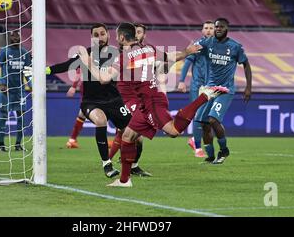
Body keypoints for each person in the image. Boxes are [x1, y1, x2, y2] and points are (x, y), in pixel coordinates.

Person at [78, 22, 228, 187]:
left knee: (173, 131)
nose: (115, 39)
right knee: (128, 136)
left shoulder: (124, 57)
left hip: (151, 101)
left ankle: (204, 96)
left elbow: (103, 79)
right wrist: (188, 51)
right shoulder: (149, 49)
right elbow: (172, 57)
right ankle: (124, 180)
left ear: (121, 37)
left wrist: (87, 61)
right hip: (147, 100)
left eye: (116, 36)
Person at [30, 23, 132, 178]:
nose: (100, 37)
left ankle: (134, 165)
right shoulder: (86, 55)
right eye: (96, 35)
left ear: (108, 35)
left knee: (132, 132)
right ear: (92, 38)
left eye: (102, 34)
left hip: (114, 100)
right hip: (91, 101)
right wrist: (46, 70)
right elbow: (67, 65)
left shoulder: (117, 54)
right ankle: (107, 164)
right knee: (100, 120)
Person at [195, 18, 252, 164]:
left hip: (225, 90)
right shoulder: (208, 42)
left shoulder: (235, 47)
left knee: (213, 119)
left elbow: (246, 65)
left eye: (221, 26)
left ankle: (224, 150)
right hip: (209, 89)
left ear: (227, 28)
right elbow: (192, 49)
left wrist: (248, 87)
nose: (218, 29)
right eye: (216, 27)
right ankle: (210, 156)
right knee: (203, 123)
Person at [108, 23, 151, 177]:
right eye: (136, 32)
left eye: (140, 32)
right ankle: (111, 163)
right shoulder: (122, 53)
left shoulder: (145, 52)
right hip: (122, 97)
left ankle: (128, 165)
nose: (138, 35)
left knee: (133, 135)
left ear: (143, 35)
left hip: (138, 97)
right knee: (127, 132)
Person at [178, 21, 214, 158]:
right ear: (202, 30)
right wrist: (181, 81)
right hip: (198, 85)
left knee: (207, 117)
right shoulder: (198, 45)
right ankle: (198, 148)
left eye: (211, 28)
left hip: (211, 86)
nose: (209, 30)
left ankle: (195, 140)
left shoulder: (218, 47)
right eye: (206, 28)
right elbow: (188, 61)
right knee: (199, 115)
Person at [0, 30, 31, 152]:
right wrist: (1, 82)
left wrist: (31, 84)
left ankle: (18, 144)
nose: (15, 38)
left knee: (21, 117)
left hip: (19, 90)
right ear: (9, 38)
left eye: (17, 36)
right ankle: (1, 145)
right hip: (6, 90)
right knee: (4, 116)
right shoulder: (4, 51)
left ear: (20, 38)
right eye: (12, 36)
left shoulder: (24, 53)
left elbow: (28, 71)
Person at [65, 67, 86, 149]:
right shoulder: (92, 57)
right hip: (89, 88)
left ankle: (72, 140)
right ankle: (72, 140)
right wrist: (73, 86)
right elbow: (80, 70)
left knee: (82, 114)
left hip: (100, 88)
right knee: (82, 114)